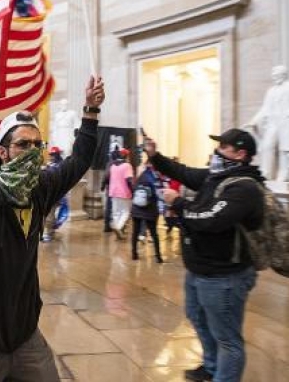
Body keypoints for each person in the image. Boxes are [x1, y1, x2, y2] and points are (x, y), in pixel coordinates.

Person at [0, 76, 105, 382]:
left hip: (26, 335)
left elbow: (79, 160)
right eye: (22, 144)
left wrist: (90, 113)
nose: (31, 151)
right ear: (3, 152)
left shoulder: (41, 187)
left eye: (36, 145)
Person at [146, 128, 264, 382]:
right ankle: (211, 367)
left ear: (241, 154)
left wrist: (177, 203)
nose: (216, 152)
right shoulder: (216, 176)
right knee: (198, 318)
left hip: (224, 276)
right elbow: (184, 173)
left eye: (223, 147)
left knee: (228, 339)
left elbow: (211, 219)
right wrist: (156, 156)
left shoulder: (244, 187)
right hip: (200, 269)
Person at [244, 65, 289, 182]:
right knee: (267, 146)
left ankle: (284, 174)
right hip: (273, 123)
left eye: (277, 75)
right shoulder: (271, 91)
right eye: (274, 75)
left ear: (283, 75)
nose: (275, 77)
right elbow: (264, 108)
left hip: (286, 122)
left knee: (285, 149)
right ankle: (266, 173)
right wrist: (253, 121)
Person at [130, 161, 164, 263]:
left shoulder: (141, 176)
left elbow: (134, 189)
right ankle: (158, 257)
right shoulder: (155, 178)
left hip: (136, 209)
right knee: (154, 234)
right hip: (150, 210)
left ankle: (134, 254)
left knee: (135, 232)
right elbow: (159, 194)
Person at [102, 148, 133, 240]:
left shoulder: (113, 166)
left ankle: (116, 228)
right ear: (126, 156)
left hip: (113, 192)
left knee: (116, 213)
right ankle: (118, 227)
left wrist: (103, 186)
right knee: (126, 212)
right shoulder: (127, 166)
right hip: (124, 192)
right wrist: (133, 191)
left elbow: (107, 177)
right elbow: (129, 180)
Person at [42, 146, 66, 243]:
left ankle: (49, 234)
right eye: (50, 155)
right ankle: (50, 231)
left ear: (57, 155)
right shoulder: (52, 165)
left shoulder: (59, 166)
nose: (51, 157)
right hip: (50, 194)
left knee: (49, 215)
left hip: (54, 194)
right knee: (48, 215)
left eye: (53, 155)